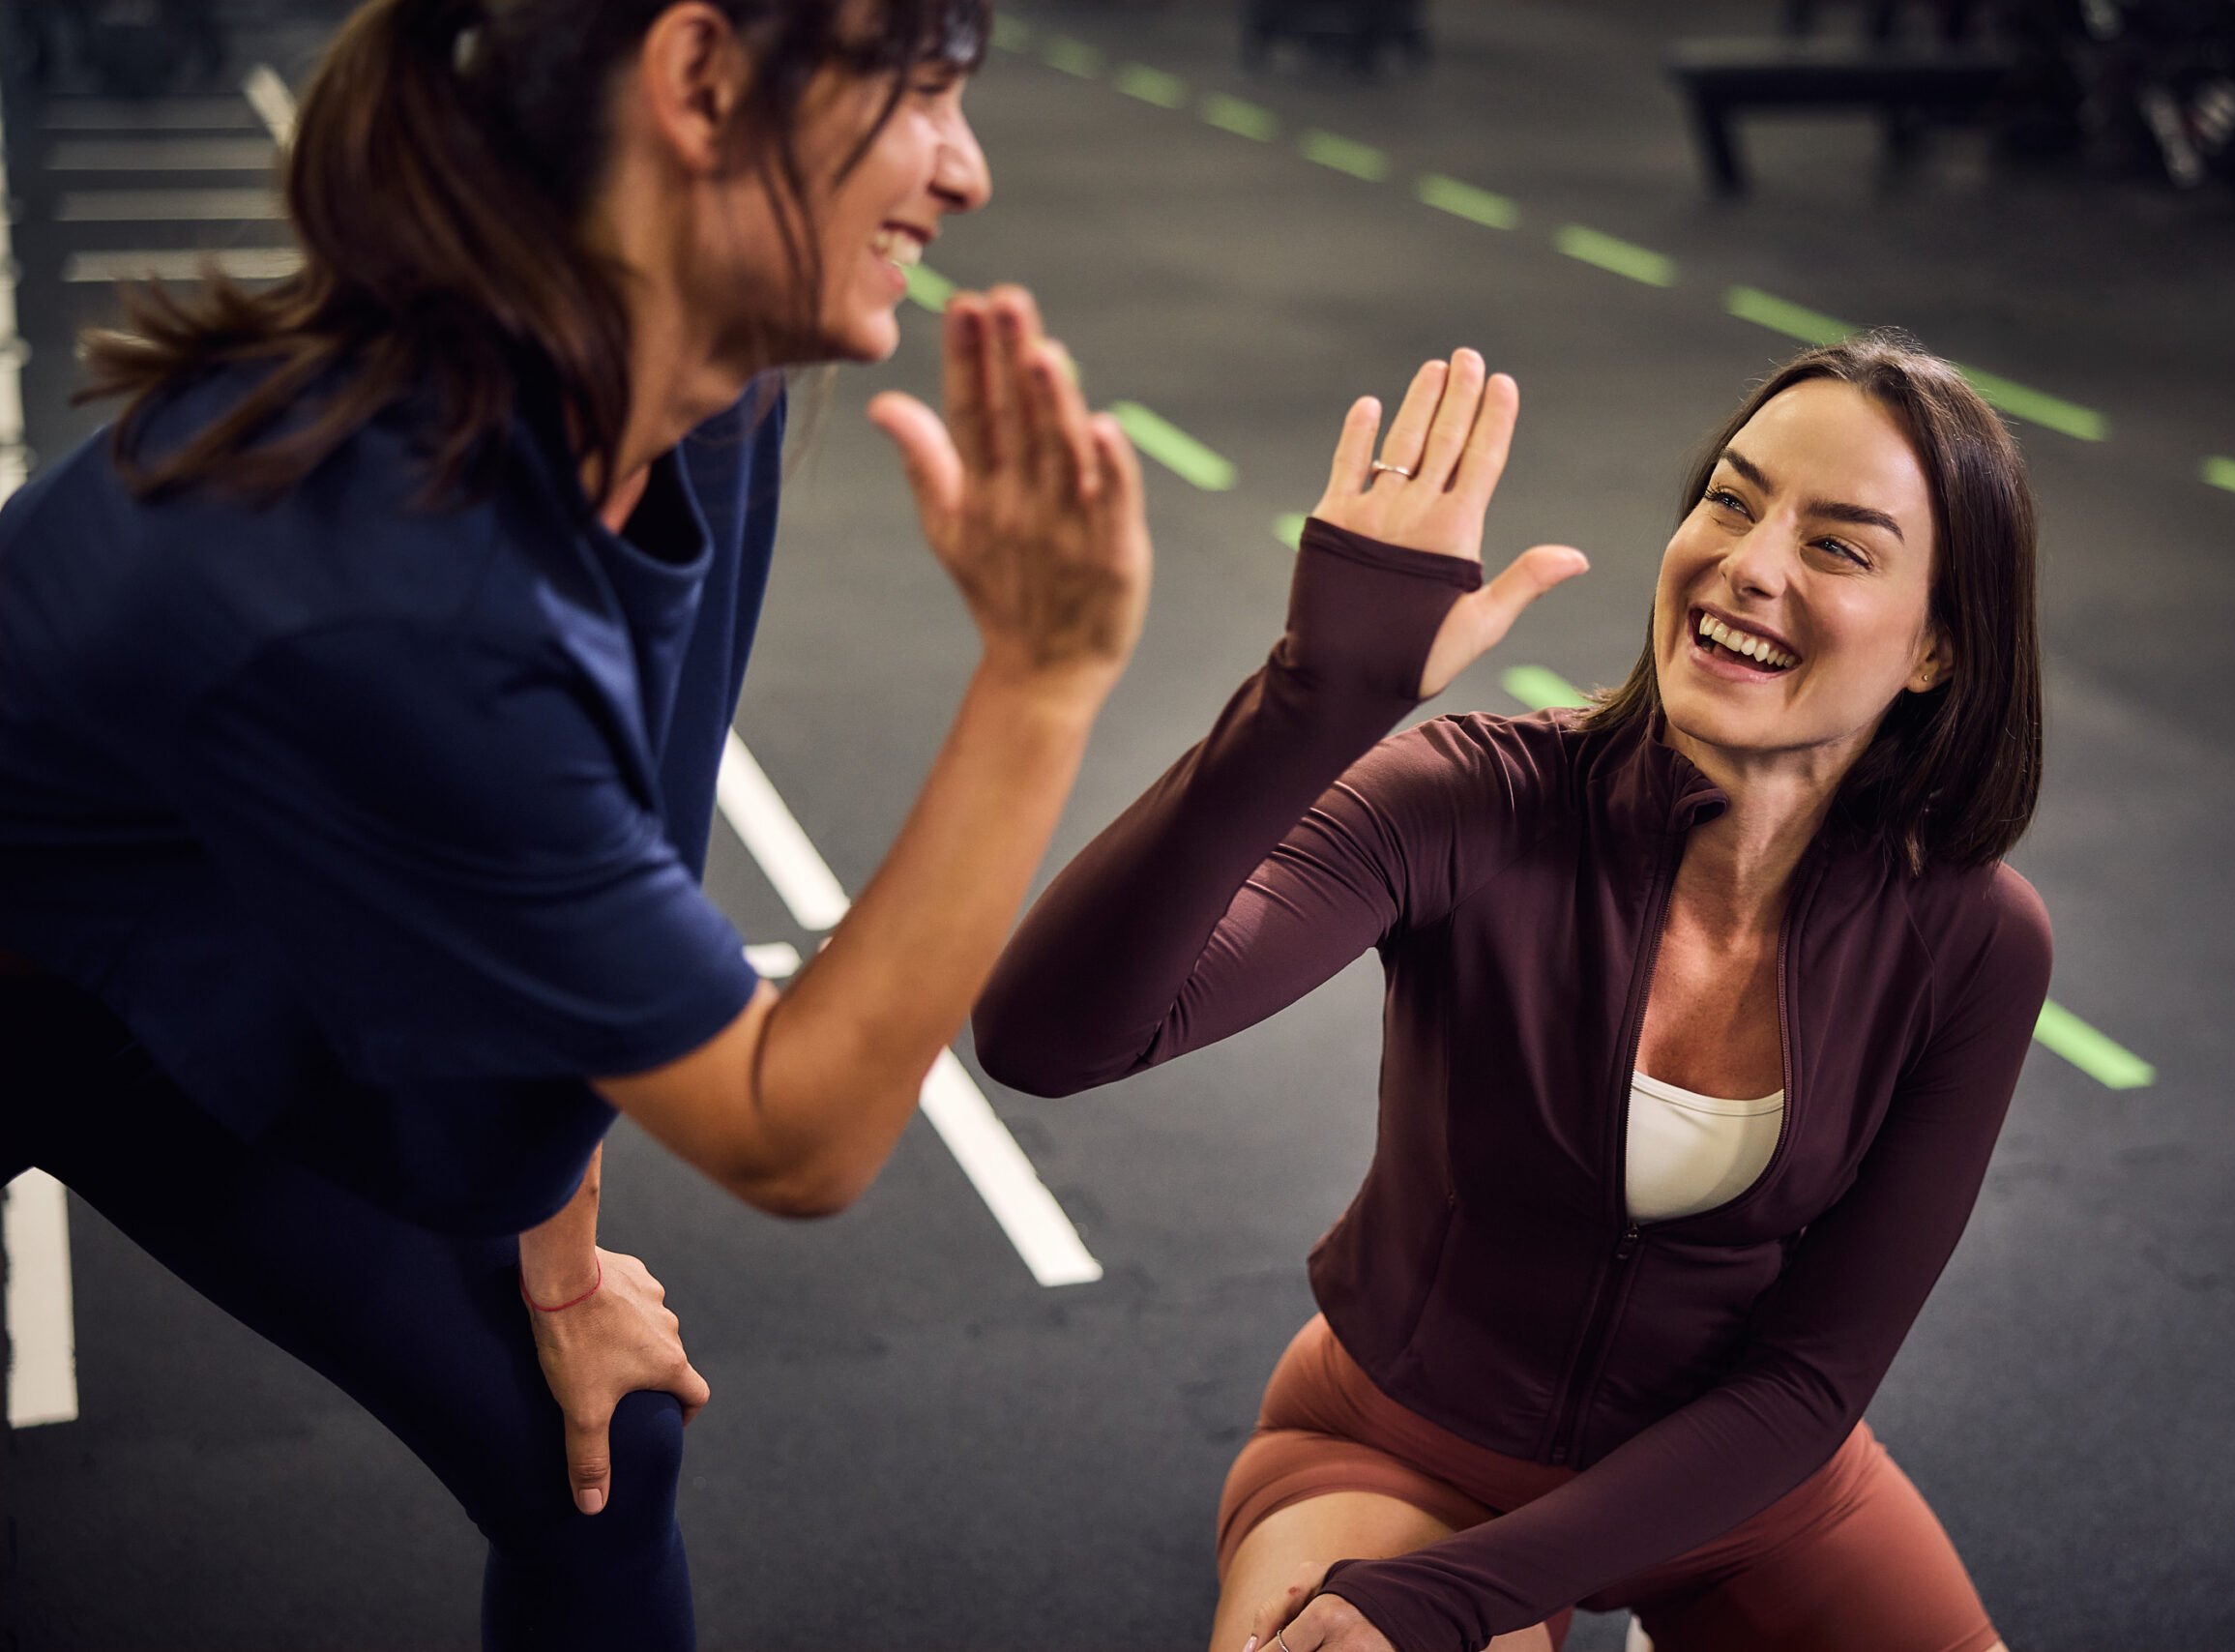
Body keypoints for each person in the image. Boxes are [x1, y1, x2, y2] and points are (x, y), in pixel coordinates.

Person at [0, 0, 1150, 1644]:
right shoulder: (400, 588)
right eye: (925, 94)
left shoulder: (705, 406)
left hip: (186, 942)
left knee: (603, 1450)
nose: (966, 170)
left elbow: (627, 828)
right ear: (696, 84)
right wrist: (1042, 681)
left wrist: (565, 1269)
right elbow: (793, 1132)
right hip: (58, 960)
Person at [976, 334, 2051, 1652]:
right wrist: (1315, 703)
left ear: (1938, 647)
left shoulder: (1978, 942)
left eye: (1838, 545)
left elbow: (1807, 1383)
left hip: (1737, 1482)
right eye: (1730, 497)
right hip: (1402, 1451)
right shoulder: (1472, 802)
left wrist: (1452, 1605)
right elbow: (1047, 1041)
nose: (1749, 562)